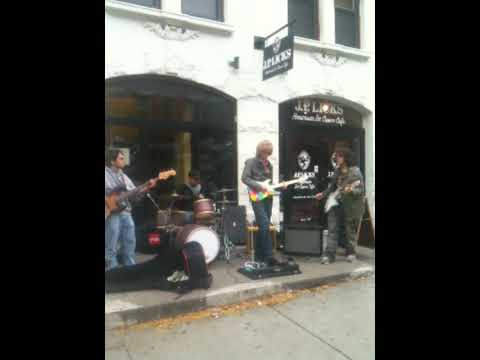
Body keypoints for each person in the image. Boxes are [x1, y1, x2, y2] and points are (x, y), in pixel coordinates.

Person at [105, 149, 153, 270]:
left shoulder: (124, 176)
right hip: (112, 211)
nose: (124, 161)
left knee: (130, 238)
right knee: (112, 240)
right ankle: (112, 268)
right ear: (112, 161)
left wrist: (146, 187)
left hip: (125, 211)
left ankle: (130, 266)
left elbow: (134, 192)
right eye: (121, 158)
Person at [315, 148, 365, 264]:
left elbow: (360, 190)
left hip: (349, 205)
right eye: (336, 156)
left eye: (339, 156)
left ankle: (351, 252)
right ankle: (329, 255)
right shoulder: (337, 171)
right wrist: (322, 194)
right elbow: (332, 187)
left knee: (349, 229)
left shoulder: (355, 172)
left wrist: (351, 190)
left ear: (345, 158)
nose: (336, 158)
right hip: (335, 202)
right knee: (332, 228)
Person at [241, 140, 285, 266]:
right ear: (260, 151)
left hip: (267, 197)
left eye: (268, 153)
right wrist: (259, 187)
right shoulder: (251, 162)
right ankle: (269, 255)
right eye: (264, 152)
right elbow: (244, 178)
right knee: (265, 224)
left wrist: (281, 186)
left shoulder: (269, 165)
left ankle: (260, 256)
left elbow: (269, 185)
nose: (266, 155)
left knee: (263, 226)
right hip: (257, 197)